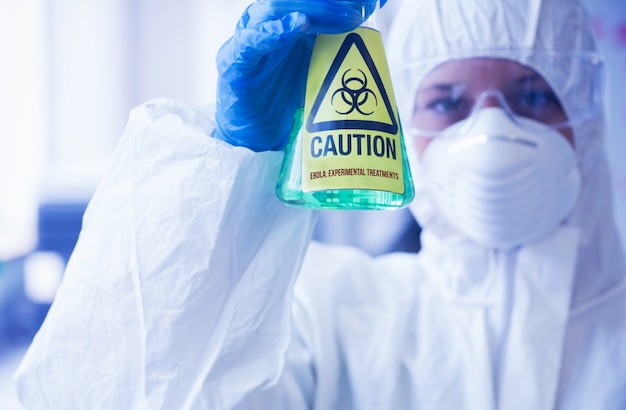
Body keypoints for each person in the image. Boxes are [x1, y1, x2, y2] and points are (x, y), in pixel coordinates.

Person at [13, 0, 626, 408]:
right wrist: (232, 170)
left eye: (532, 94)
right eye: (447, 102)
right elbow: (124, 390)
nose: (491, 134)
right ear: (404, 124)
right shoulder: (331, 311)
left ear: (587, 114)